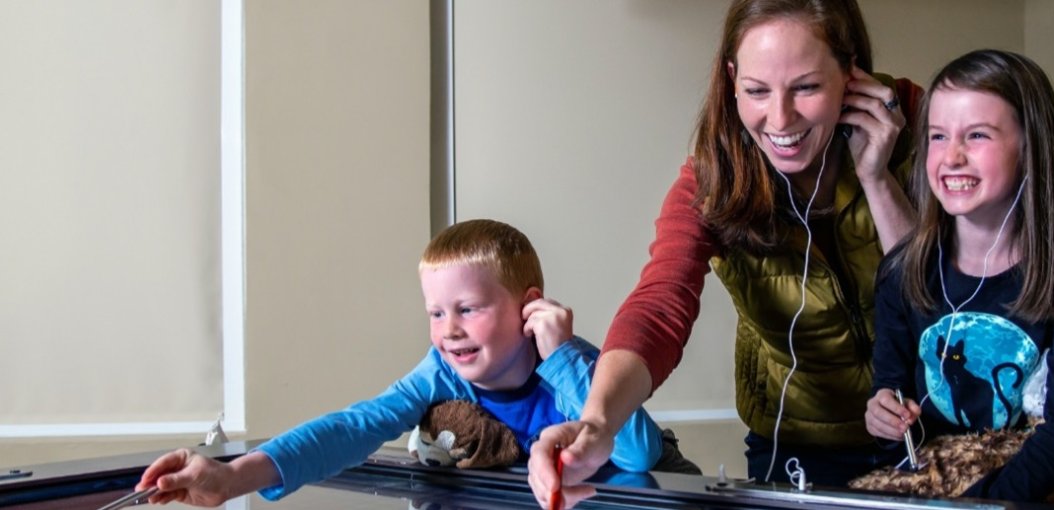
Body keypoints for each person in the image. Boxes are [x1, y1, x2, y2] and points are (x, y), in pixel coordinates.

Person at [529, 0, 924, 506]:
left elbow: (950, 298)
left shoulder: (915, 122)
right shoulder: (714, 180)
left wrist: (878, 177)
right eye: (757, 91)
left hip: (927, 427)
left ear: (852, 73)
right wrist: (598, 422)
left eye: (806, 87)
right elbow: (660, 302)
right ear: (732, 78)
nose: (779, 119)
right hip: (795, 444)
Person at [135, 219, 696, 507]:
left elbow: (639, 451)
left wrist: (565, 356)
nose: (448, 329)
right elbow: (354, 426)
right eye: (435, 312)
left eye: (468, 309)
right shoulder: (441, 373)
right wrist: (234, 478)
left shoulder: (573, 366)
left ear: (529, 306)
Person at [864, 49, 1054, 501]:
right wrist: (885, 418)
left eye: (977, 135)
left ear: (1030, 147)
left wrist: (985, 503)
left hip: (1033, 490)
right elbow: (895, 410)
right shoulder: (902, 272)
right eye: (939, 136)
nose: (952, 156)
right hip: (937, 486)